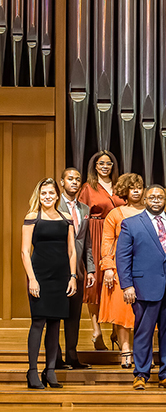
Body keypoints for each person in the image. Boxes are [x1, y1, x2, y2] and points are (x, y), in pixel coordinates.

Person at [117, 186, 166, 390]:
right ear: (145, 199)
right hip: (143, 287)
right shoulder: (130, 224)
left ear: (165, 199)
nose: (156, 200)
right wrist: (127, 286)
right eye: (152, 197)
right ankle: (141, 374)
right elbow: (123, 258)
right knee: (144, 332)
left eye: (160, 197)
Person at [21, 178, 78, 389]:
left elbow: (72, 251)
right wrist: (32, 279)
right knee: (38, 322)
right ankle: (32, 371)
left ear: (56, 195)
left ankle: (50, 370)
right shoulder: (32, 217)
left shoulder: (66, 218)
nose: (47, 197)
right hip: (40, 275)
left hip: (61, 275)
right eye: (44, 193)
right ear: (39, 195)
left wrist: (73, 276)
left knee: (55, 324)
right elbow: (25, 252)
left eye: (51, 193)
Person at [79, 150, 125, 350]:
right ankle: (96, 330)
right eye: (101, 163)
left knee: (117, 281)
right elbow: (82, 216)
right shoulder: (88, 188)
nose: (105, 166)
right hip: (96, 233)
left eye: (109, 163)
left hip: (119, 235)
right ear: (95, 166)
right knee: (96, 282)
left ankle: (117, 330)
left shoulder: (120, 187)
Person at [99, 174, 145, 369]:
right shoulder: (115, 214)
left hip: (145, 268)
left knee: (143, 312)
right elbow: (107, 242)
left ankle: (141, 351)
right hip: (121, 268)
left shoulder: (151, 211)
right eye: (132, 187)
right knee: (123, 311)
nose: (136, 190)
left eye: (139, 187)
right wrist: (108, 267)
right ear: (125, 190)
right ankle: (125, 350)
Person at [56, 168, 95, 370]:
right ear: (62, 182)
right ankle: (55, 358)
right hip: (56, 269)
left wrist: (90, 269)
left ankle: (72, 355)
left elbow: (86, 242)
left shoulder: (85, 209)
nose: (74, 182)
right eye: (70, 179)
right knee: (55, 315)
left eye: (78, 179)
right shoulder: (53, 205)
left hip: (78, 270)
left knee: (74, 315)